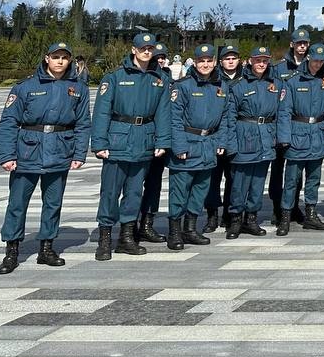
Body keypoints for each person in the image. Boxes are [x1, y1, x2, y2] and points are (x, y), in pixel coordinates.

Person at [0, 41, 91, 274]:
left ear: (69, 61)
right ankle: (12, 250)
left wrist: (80, 153)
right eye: (55, 56)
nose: (60, 61)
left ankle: (46, 248)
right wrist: (7, 155)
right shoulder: (25, 87)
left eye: (64, 57)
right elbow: (9, 121)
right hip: (28, 150)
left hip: (60, 150)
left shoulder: (78, 88)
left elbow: (82, 123)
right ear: (46, 58)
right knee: (17, 204)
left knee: (53, 203)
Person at [91, 32, 171, 260]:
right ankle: (105, 238)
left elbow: (163, 113)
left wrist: (162, 140)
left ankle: (126, 237)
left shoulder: (159, 79)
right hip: (118, 140)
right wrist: (99, 143)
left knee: (135, 192)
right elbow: (102, 112)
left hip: (144, 140)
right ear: (133, 50)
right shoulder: (115, 77)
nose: (147, 52)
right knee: (110, 192)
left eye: (151, 48)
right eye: (143, 48)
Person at [165, 43, 234, 251]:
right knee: (180, 191)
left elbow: (225, 117)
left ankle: (190, 228)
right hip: (188, 143)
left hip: (208, 145)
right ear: (194, 63)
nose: (205, 65)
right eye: (201, 61)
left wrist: (221, 142)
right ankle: (174, 232)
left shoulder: (221, 86)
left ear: (214, 62)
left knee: (200, 190)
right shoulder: (183, 86)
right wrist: (179, 146)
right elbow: (174, 119)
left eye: (209, 61)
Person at [274, 43, 324, 235]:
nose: (318, 64)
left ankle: (311, 213)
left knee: (314, 178)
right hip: (297, 132)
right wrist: (284, 137)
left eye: (322, 61)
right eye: (316, 60)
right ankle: (285, 216)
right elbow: (284, 111)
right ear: (308, 58)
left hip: (318, 132)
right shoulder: (293, 81)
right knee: (292, 179)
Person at [227, 47, 280, 239]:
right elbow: (229, 118)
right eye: (258, 60)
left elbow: (280, 113)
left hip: (265, 137)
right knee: (239, 183)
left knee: (258, 183)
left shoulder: (275, 84)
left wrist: (278, 139)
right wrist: (231, 145)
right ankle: (235, 220)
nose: (261, 64)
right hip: (244, 137)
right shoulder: (238, 85)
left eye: (265, 61)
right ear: (250, 61)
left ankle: (251, 219)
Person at [271, 27, 313, 222]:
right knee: (278, 168)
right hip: (281, 125)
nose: (302, 46)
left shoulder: (313, 66)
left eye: (305, 43)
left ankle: (294, 205)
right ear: (292, 44)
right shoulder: (280, 68)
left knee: (297, 169)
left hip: (300, 127)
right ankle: (277, 206)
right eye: (299, 43)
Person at [136, 41, 174, 246]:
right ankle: (130, 224)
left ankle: (147, 224)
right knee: (133, 186)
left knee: (154, 184)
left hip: (159, 139)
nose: (159, 59)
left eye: (162, 57)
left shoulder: (166, 78)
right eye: (156, 56)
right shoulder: (142, 77)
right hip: (138, 137)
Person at [204, 45, 245, 233]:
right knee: (213, 177)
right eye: (227, 58)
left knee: (233, 177)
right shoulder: (213, 79)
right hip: (215, 135)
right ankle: (212, 214)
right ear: (220, 62)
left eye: (233, 58)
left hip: (236, 135)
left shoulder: (245, 79)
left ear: (239, 61)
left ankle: (229, 213)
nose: (230, 61)